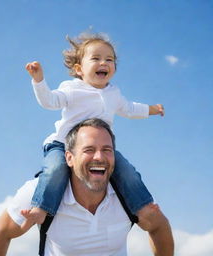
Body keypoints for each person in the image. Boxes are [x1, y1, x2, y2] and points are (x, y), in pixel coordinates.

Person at [22, 32, 165, 228]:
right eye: (96, 58)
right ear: (79, 69)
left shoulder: (113, 93)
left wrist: (152, 109)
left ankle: (143, 206)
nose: (104, 63)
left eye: (109, 59)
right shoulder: (72, 89)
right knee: (55, 170)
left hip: (99, 149)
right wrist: (39, 81)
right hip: (63, 144)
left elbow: (130, 109)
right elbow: (49, 101)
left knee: (127, 171)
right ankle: (41, 209)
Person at [0, 118, 174, 256]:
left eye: (106, 150)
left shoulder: (129, 194)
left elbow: (159, 226)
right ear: (69, 158)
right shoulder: (40, 194)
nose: (99, 157)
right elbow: (1, 232)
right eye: (89, 150)